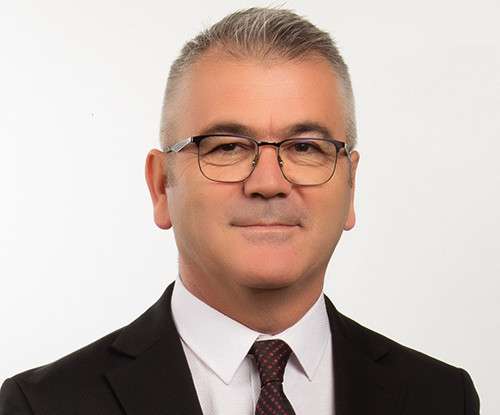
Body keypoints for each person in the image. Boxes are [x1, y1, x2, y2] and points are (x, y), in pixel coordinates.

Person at [0, 7, 480, 415]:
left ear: (350, 186)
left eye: (305, 148)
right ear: (161, 186)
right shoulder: (40, 406)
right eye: (227, 147)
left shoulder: (442, 398)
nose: (269, 183)